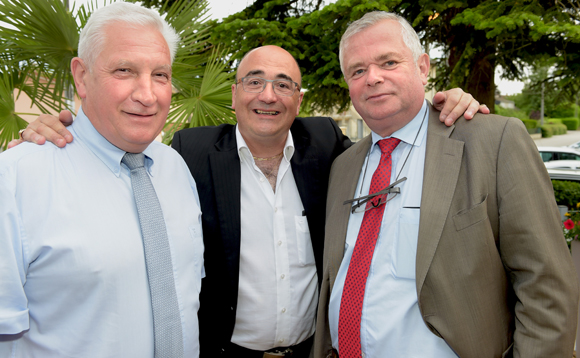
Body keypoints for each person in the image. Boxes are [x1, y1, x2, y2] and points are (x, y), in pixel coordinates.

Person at [13, 45, 486, 356]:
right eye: (254, 81)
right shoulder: (188, 154)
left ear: (299, 100)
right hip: (225, 351)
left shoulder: (327, 145)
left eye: (284, 84)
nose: (268, 95)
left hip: (312, 349)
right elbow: (120, 153)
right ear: (235, 94)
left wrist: (445, 103)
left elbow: (396, 146)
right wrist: (51, 130)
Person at [314, 11, 578, 358]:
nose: (373, 78)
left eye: (388, 62)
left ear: (423, 68)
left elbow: (545, 286)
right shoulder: (343, 166)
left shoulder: (493, 142)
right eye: (357, 70)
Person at [0, 3, 204, 358]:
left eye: (160, 75)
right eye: (124, 70)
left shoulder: (176, 168)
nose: (147, 95)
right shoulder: (16, 180)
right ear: (81, 76)